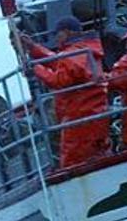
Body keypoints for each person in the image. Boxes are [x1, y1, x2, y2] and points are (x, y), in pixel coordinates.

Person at [21, 16, 109, 168]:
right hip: (92, 112)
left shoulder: (75, 53)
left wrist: (35, 68)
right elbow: (60, 63)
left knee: (73, 161)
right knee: (98, 153)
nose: (56, 38)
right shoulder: (83, 50)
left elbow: (59, 80)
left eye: (58, 34)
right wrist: (33, 47)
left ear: (67, 32)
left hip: (80, 116)